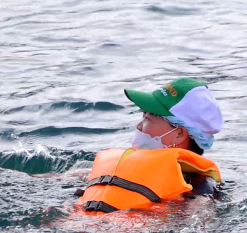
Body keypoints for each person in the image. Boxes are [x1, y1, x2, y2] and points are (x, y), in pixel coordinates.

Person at [77, 77, 224, 213]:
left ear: (179, 134)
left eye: (148, 118)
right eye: (143, 116)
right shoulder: (125, 164)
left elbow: (199, 221)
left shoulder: (200, 188)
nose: (139, 126)